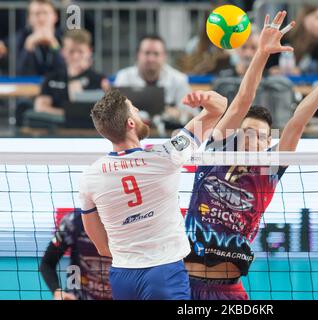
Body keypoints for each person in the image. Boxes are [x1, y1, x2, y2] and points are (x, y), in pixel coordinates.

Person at [184, 12, 318, 300]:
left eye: (259, 137)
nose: (251, 140)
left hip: (229, 289)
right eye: (246, 132)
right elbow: (243, 99)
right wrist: (261, 53)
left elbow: (297, 121)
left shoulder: (269, 170)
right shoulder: (215, 151)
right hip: (182, 283)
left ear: (267, 143)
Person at [78, 87, 227, 300]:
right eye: (134, 110)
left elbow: (101, 246)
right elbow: (220, 108)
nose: (138, 110)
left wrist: (130, 255)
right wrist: (205, 98)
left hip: (122, 275)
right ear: (130, 123)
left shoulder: (90, 177)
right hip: (164, 272)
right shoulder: (166, 155)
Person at [25, 29, 108, 126]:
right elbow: (40, 107)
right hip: (55, 132)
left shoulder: (99, 79)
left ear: (89, 52)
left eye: (80, 51)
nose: (76, 56)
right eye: (71, 51)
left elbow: (104, 113)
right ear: (63, 52)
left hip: (90, 133)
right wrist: (71, 114)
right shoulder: (52, 78)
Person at [114, 35, 194, 127]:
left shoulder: (179, 79)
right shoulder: (124, 77)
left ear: (164, 56)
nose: (151, 59)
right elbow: (115, 112)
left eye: (156, 54)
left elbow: (193, 114)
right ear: (138, 55)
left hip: (170, 135)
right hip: (131, 133)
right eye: (147, 53)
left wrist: (178, 114)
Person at [40, 209, 112, 300]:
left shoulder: (131, 225)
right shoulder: (73, 222)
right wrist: (57, 292)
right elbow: (47, 263)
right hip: (78, 295)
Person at [269, 4, 318, 75]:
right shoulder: (283, 39)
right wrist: (272, 70)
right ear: (305, 16)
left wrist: (301, 72)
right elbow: (268, 67)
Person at [16, 0, 65, 76]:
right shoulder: (21, 38)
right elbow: (19, 74)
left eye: (45, 13)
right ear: (29, 19)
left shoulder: (65, 37)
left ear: (55, 16)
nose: (41, 18)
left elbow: (67, 72)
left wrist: (54, 45)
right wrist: (28, 47)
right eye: (37, 14)